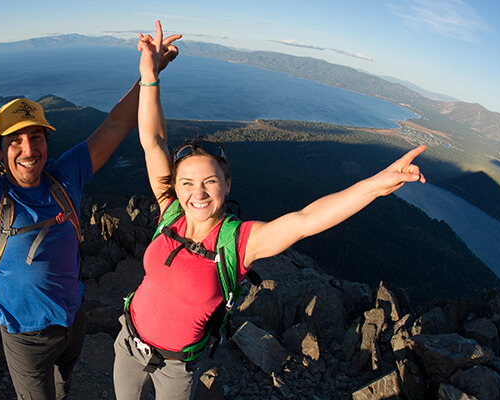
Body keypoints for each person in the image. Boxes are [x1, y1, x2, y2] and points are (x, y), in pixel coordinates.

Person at [112, 21, 428, 400]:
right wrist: (149, 74)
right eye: (187, 183)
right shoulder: (169, 214)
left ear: (227, 185)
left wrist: (376, 185)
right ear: (176, 188)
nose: (198, 193)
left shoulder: (239, 242)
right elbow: (154, 140)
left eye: (210, 182)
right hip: (127, 343)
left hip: (178, 367)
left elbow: (307, 220)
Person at [0, 2, 181, 399]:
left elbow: (116, 123)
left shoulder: (66, 176)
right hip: (25, 340)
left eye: (37, 137)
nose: (28, 149)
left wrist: (151, 75)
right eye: (15, 141)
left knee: (65, 387)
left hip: (74, 320)